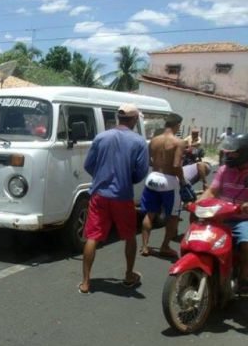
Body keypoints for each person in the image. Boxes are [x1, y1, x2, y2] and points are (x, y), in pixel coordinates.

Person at [79, 103, 149, 294]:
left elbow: (88, 165)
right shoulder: (139, 142)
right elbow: (141, 171)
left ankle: (85, 283)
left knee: (92, 237)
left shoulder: (101, 137)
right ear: (134, 119)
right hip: (122, 196)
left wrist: (101, 177)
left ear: (119, 118)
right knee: (129, 236)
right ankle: (128, 275)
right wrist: (127, 179)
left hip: (99, 195)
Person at [200, 134, 248, 294]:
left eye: (233, 153)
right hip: (220, 216)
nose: (229, 155)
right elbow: (212, 191)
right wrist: (198, 203)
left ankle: (244, 279)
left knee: (246, 244)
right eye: (228, 152)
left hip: (243, 219)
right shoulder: (224, 169)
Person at [140, 113, 186, 259]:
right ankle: (165, 246)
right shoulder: (178, 142)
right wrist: (183, 181)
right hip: (168, 181)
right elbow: (176, 165)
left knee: (150, 213)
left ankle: (145, 246)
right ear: (177, 125)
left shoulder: (154, 140)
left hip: (152, 178)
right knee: (173, 216)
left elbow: (149, 161)